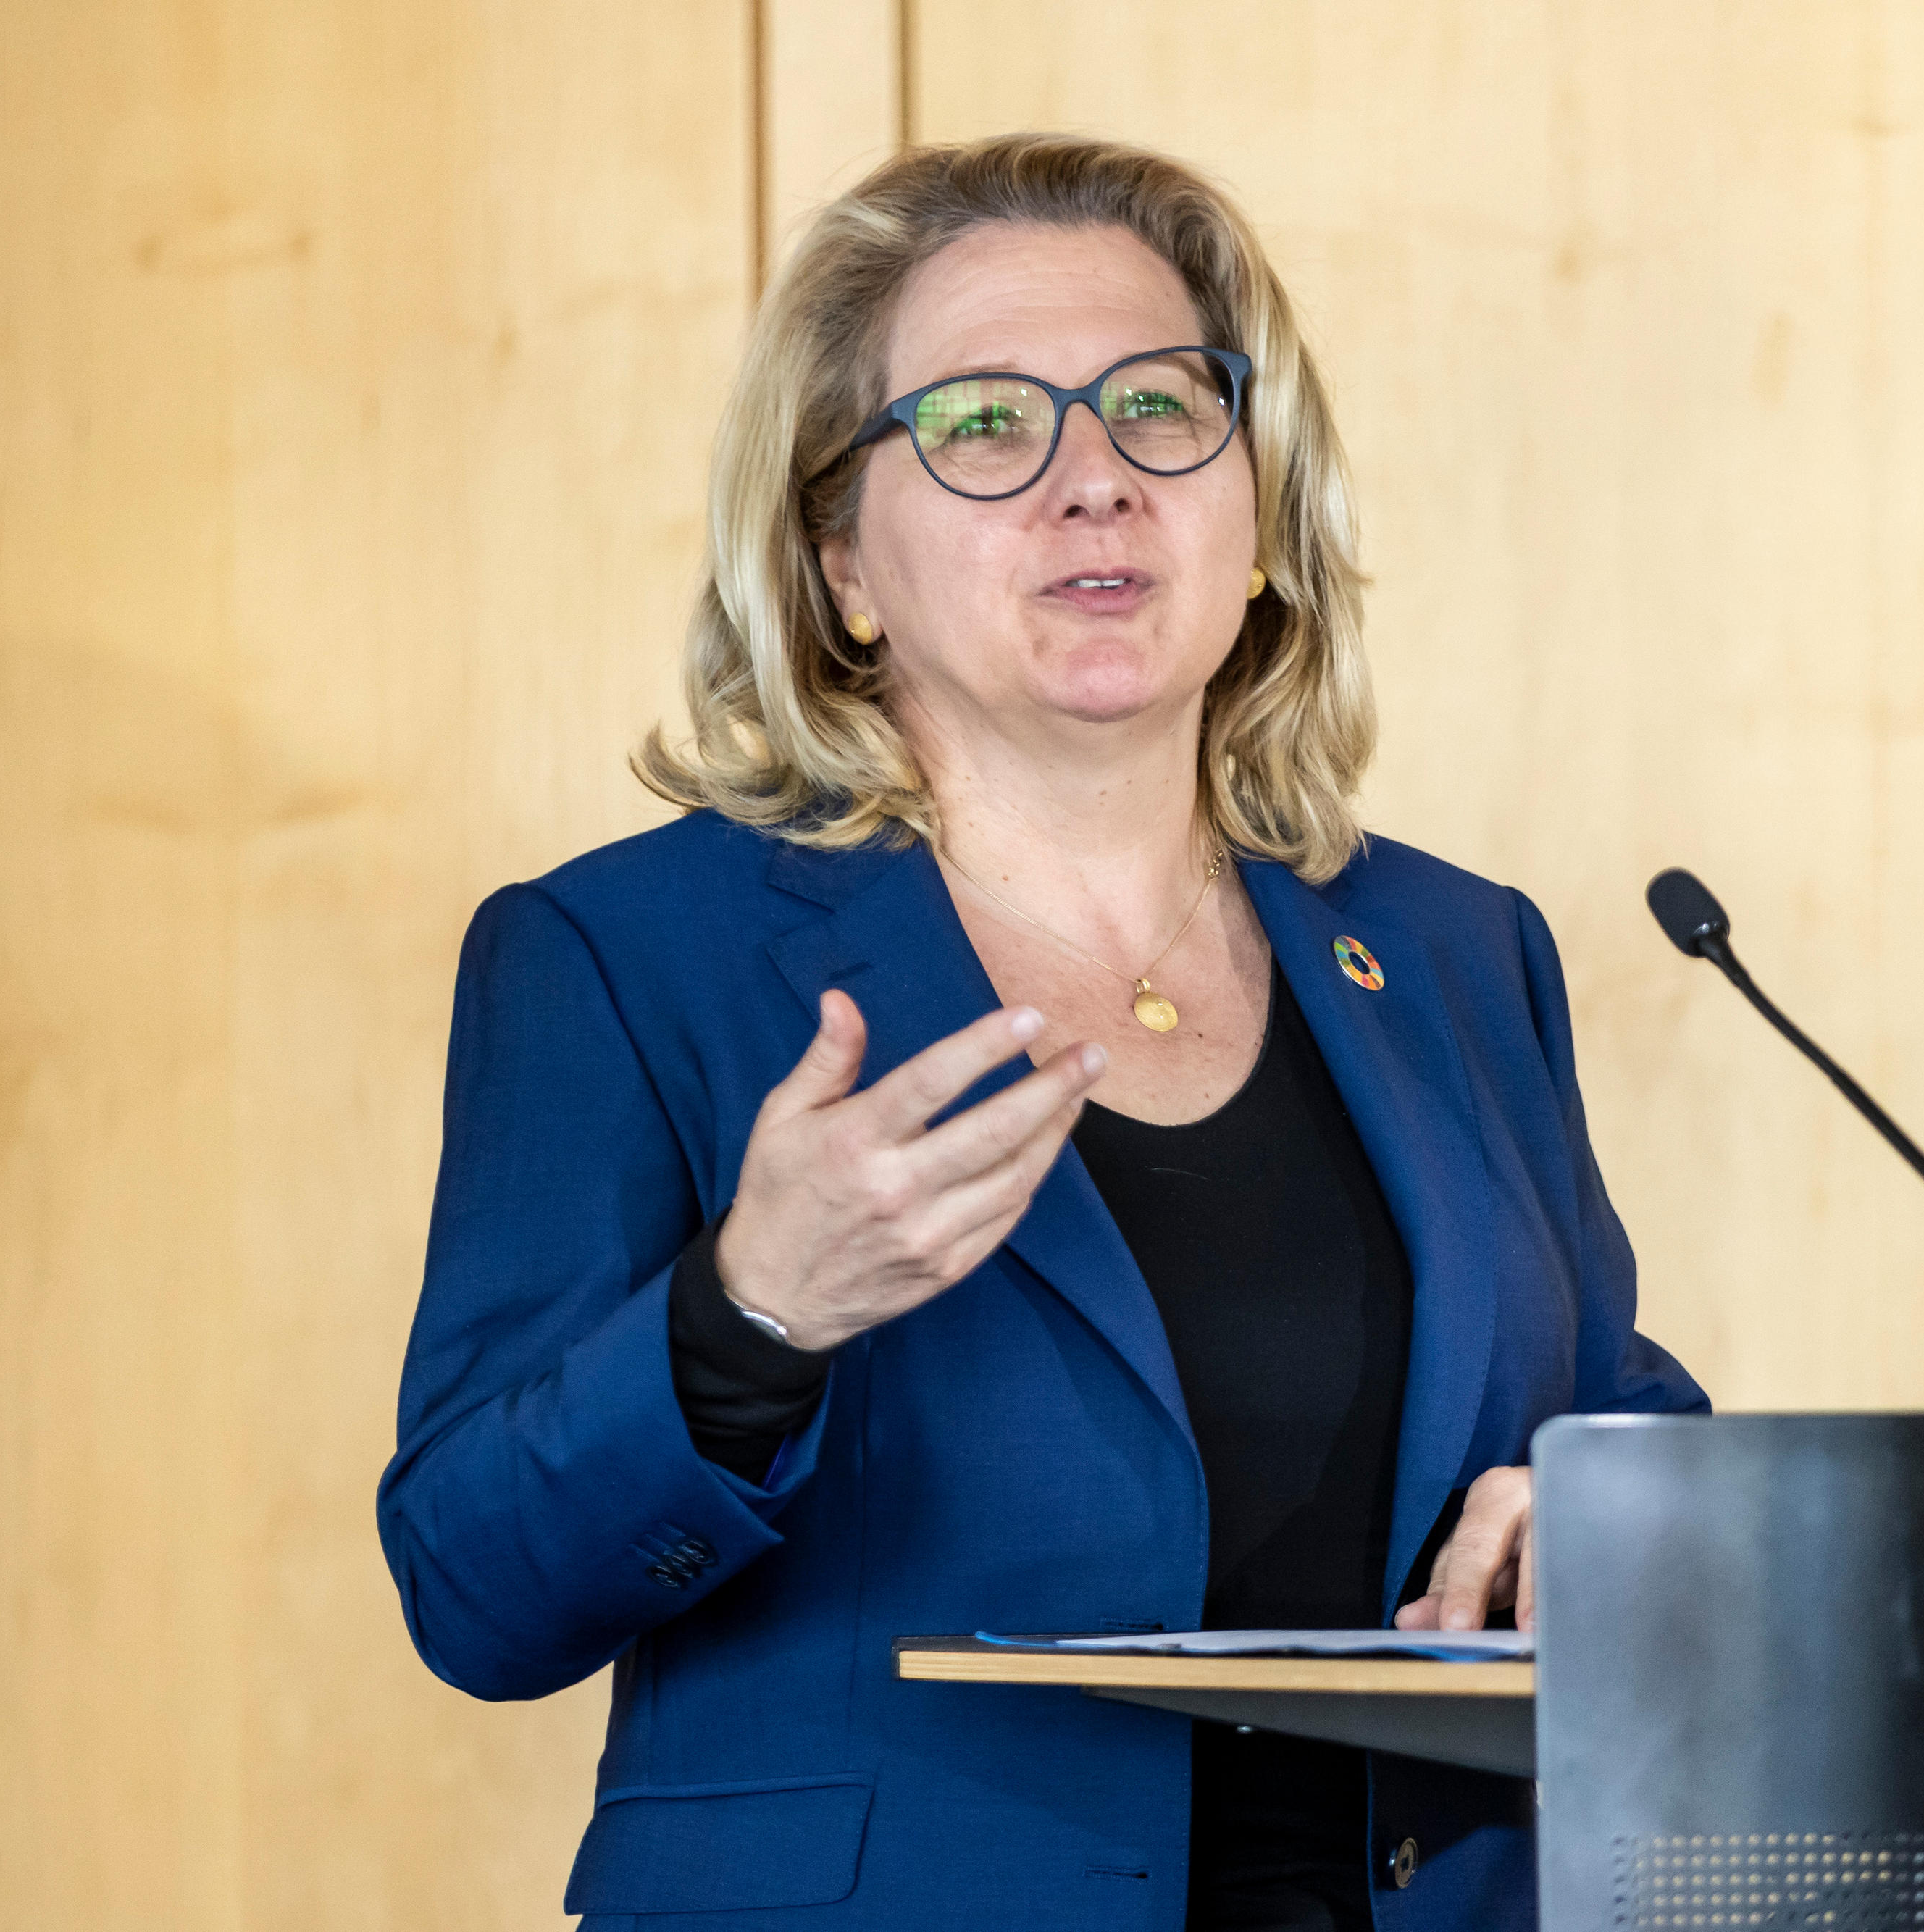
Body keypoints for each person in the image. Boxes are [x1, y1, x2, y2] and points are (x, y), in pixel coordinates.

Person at [377, 132, 1705, 1932]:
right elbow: (473, 1586)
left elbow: (1616, 1424)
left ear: (1257, 516)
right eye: (984, 427)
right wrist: (749, 1315)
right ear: (840, 555)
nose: (1095, 483)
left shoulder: (1456, 949)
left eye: (1161, 407)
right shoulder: (628, 956)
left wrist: (1592, 1518)